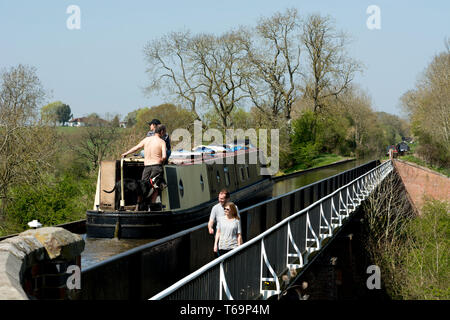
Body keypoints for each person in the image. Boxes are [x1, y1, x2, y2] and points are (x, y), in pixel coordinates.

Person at [121, 124, 167, 204]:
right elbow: (164, 156)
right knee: (155, 187)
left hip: (147, 167)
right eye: (164, 132)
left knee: (142, 186)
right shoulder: (162, 142)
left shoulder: (146, 139)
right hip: (157, 167)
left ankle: (139, 205)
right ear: (162, 132)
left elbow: (136, 147)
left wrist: (126, 153)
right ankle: (151, 206)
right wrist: (161, 159)